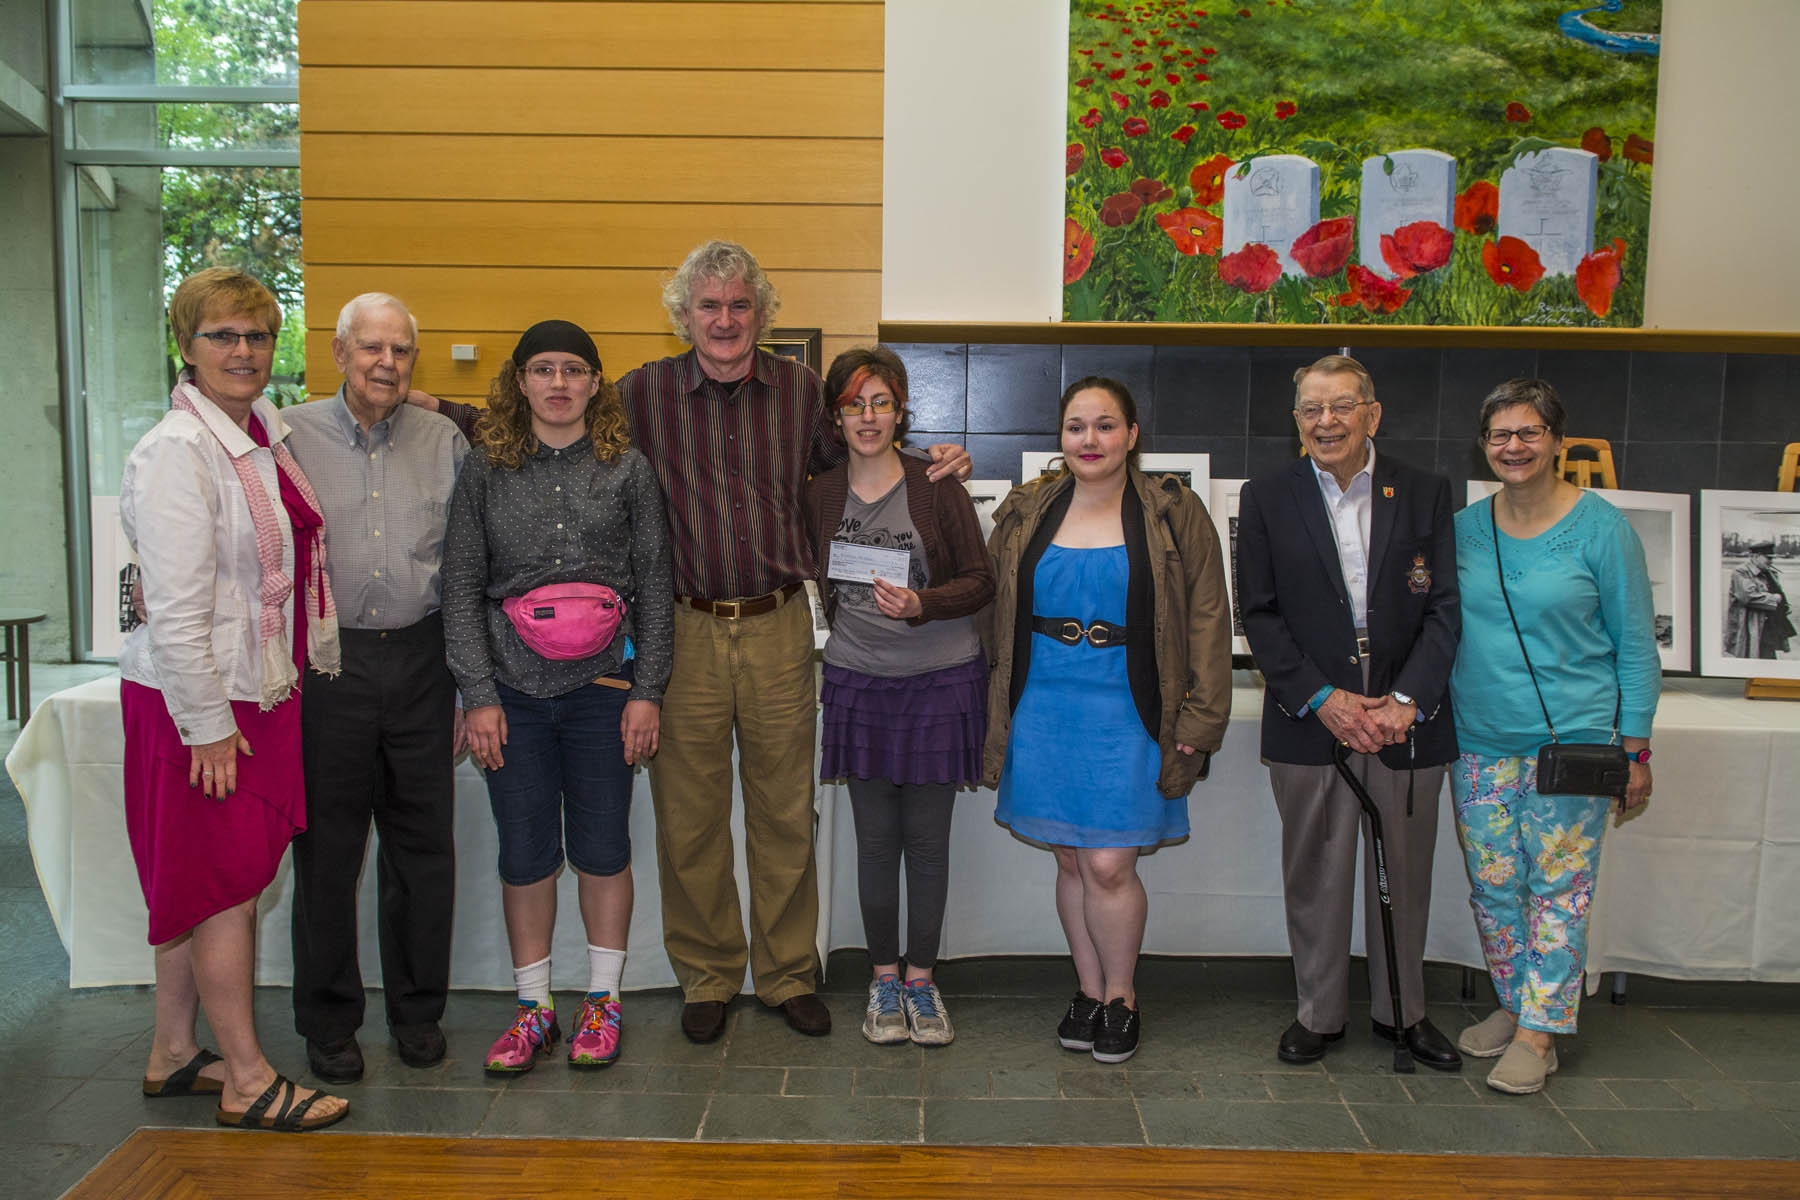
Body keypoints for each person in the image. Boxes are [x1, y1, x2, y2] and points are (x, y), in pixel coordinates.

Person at [119, 267, 348, 1131]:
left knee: (212, 883)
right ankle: (248, 1079)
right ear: (188, 346)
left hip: (258, 692)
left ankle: (174, 1052)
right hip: (205, 705)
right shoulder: (179, 453)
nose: (243, 351)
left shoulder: (258, 436)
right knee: (221, 887)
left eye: (256, 335)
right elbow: (173, 610)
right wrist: (208, 729)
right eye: (223, 335)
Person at [441, 321, 673, 1073]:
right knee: (526, 854)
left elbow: (658, 590)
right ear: (519, 382)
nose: (559, 383)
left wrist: (648, 691)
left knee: (605, 848)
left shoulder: (628, 468)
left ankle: (602, 1003)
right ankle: (534, 1007)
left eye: (575, 370)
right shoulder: (484, 470)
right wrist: (478, 694)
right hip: (510, 692)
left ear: (596, 383)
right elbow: (462, 588)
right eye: (543, 369)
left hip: (605, 690)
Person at [982, 376, 1231, 1064]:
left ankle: (1123, 997)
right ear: (1059, 438)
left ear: (1132, 435)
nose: (1089, 440)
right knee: (1068, 856)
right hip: (1043, 704)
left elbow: (1209, 616)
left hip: (1133, 707)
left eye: (1104, 425)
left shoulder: (1174, 513)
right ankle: (1088, 992)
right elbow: (992, 604)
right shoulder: (1028, 508)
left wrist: (1202, 718)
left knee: (1109, 863)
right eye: (1076, 427)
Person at [1235, 354, 1463, 1072]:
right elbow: (1260, 615)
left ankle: (1405, 1012)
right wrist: (1325, 699)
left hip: (1405, 708)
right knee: (1317, 870)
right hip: (1311, 709)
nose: (1325, 421)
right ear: (1296, 420)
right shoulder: (1268, 495)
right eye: (1310, 409)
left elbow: (1445, 608)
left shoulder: (1424, 492)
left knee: (1407, 869)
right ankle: (1319, 1013)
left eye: (1340, 406)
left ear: (1373, 413)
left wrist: (1404, 702)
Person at [1449, 378, 1659, 1095]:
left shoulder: (1602, 530)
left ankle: (1541, 1035)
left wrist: (1635, 749)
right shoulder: (1463, 531)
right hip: (1478, 741)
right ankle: (1517, 1004)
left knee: (1559, 891)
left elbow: (1635, 646)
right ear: (1484, 446)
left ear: (1557, 441)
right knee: (1495, 887)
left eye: (1529, 432)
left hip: (1572, 744)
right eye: (1501, 435)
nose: (1515, 446)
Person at [282, 293, 467, 1084]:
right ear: (339, 352)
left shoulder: (444, 440)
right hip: (329, 666)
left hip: (425, 661)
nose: (387, 364)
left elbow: (467, 572)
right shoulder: (286, 437)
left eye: (400, 351)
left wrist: (467, 683)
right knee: (327, 855)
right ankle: (329, 1024)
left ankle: (418, 1014)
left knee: (423, 851)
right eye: (372, 349)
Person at [803, 347, 995, 1047]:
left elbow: (981, 580)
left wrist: (922, 602)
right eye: (855, 404)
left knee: (928, 841)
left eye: (881, 402)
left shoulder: (936, 482)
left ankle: (922, 980)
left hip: (940, 680)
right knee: (876, 844)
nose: (869, 417)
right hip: (858, 680)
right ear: (836, 415)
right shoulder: (819, 493)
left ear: (901, 409)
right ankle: (882, 980)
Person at [1724, 539, 1793, 660]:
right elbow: (1748, 596)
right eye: (1768, 558)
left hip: (1767, 626)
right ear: (1756, 556)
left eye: (1772, 558)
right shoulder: (1741, 572)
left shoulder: (1768, 572)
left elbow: (1777, 591)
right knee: (1749, 657)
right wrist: (1774, 599)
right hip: (1749, 625)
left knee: (1768, 661)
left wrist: (1784, 606)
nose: (1771, 561)